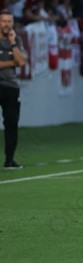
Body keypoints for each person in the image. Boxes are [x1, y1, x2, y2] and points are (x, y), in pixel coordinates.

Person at [0, 10, 27, 169]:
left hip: (11, 87)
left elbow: (22, 61)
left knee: (11, 123)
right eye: (4, 21)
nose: (7, 24)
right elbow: (16, 62)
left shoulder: (16, 40)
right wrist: (12, 63)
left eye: (9, 21)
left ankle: (9, 160)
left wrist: (13, 43)